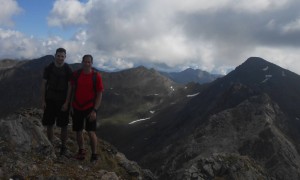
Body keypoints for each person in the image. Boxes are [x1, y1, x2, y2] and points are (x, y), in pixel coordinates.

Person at [71, 54, 104, 162]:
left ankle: (94, 155)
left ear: (92, 63)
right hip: (77, 106)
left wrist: (95, 110)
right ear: (82, 62)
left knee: (91, 132)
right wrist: (70, 104)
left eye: (89, 62)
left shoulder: (96, 76)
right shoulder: (76, 74)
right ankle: (81, 152)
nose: (86, 63)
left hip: (90, 107)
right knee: (78, 131)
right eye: (85, 61)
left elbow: (99, 94)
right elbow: (71, 89)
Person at [41, 47, 72, 156]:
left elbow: (70, 86)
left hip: (62, 100)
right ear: (55, 56)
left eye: (62, 56)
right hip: (50, 99)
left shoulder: (68, 69)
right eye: (58, 56)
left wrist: (67, 102)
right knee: (49, 123)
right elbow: (44, 84)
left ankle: (63, 147)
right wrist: (43, 100)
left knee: (63, 125)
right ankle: (50, 144)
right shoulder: (49, 67)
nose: (60, 58)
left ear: (65, 57)